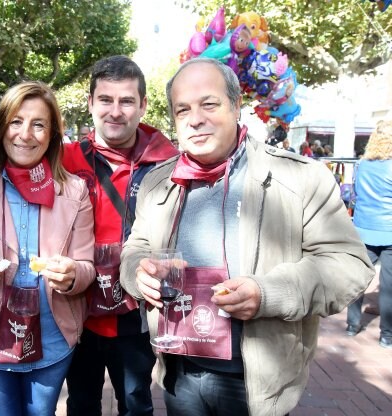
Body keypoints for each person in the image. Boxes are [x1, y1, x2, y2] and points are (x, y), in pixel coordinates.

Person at [119, 58, 374, 416]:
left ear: (236, 106)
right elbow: (136, 248)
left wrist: (267, 294)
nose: (195, 119)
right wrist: (137, 273)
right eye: (183, 110)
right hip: (180, 370)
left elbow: (349, 266)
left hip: (253, 382)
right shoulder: (156, 181)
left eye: (209, 104)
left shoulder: (300, 178)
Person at [0, 81, 95, 416]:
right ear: (2, 127)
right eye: (16, 121)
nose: (25, 134)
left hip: (51, 340)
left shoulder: (75, 190)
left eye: (39, 124)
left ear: (52, 134)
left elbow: (86, 266)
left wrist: (71, 275)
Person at [62, 55, 179, 416]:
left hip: (136, 312)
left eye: (126, 100)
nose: (115, 111)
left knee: (136, 404)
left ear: (143, 105)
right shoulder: (63, 160)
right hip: (77, 309)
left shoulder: (170, 163)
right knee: (81, 404)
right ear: (90, 103)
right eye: (105, 100)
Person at [345, 119, 392, 349]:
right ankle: (386, 336)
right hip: (389, 232)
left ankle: (352, 325)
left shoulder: (361, 165)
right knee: (388, 287)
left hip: (363, 229)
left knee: (358, 280)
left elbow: (355, 194)